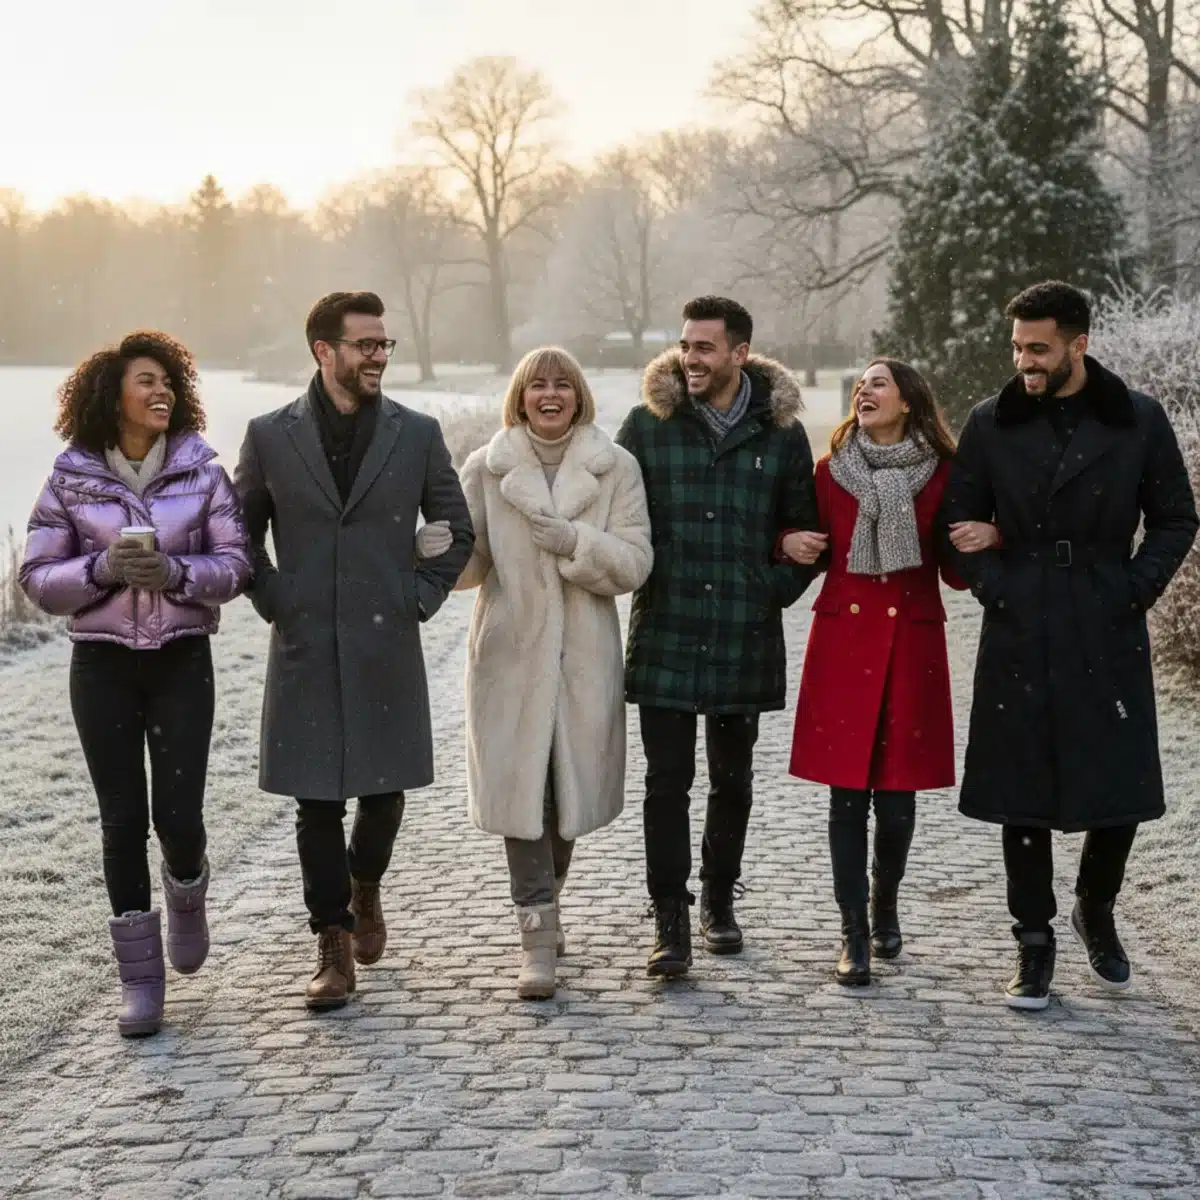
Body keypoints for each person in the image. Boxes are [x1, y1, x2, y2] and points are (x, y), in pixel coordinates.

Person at [940, 281, 1198, 1011]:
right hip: (1020, 622)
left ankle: (1096, 907)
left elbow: (1177, 519)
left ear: (1079, 345)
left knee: (1117, 786)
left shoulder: (1137, 420)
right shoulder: (990, 422)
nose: (1025, 359)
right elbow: (959, 523)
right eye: (1018, 345)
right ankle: (1033, 942)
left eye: (1039, 348)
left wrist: (1132, 589)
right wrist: (998, 585)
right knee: (1021, 792)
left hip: (1104, 617)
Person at [234, 291, 472, 1011]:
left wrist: (418, 597)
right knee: (314, 802)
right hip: (305, 642)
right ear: (323, 350)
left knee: (384, 792)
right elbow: (238, 536)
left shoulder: (418, 432)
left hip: (384, 639)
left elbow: (456, 530)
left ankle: (365, 883)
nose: (378, 356)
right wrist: (276, 598)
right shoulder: (269, 436)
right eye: (365, 344)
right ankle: (331, 942)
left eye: (383, 345)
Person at [20, 332, 250, 1037]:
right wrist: (101, 571)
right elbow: (35, 579)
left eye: (169, 383)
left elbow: (236, 563)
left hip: (181, 659)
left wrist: (178, 575)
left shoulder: (203, 472)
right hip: (102, 666)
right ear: (110, 396)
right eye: (145, 381)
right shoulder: (70, 479)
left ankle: (187, 893)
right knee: (121, 821)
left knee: (176, 817)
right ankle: (140, 984)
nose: (162, 393)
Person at [616, 296, 821, 977]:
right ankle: (669, 916)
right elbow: (612, 512)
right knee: (665, 782)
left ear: (740, 353)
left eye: (705, 347)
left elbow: (808, 537)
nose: (690, 358)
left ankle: (718, 900)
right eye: (685, 346)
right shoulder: (647, 426)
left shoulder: (782, 435)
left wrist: (771, 591)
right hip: (667, 632)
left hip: (742, 633)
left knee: (733, 782)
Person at [781, 360, 999, 986]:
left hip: (910, 644)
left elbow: (956, 570)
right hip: (845, 644)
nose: (865, 390)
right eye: (861, 384)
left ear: (909, 402)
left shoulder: (944, 474)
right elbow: (802, 540)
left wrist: (990, 534)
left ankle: (885, 904)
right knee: (846, 799)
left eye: (879, 382)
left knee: (897, 803)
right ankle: (853, 933)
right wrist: (786, 544)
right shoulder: (831, 473)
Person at [452, 347, 652, 999]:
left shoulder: (615, 467)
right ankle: (536, 937)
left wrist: (577, 545)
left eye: (561, 384)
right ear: (519, 396)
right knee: (523, 804)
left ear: (579, 395)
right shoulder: (487, 468)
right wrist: (434, 548)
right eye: (536, 384)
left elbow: (634, 563)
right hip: (509, 655)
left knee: (564, 803)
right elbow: (470, 564)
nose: (549, 394)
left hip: (584, 658)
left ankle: (550, 898)